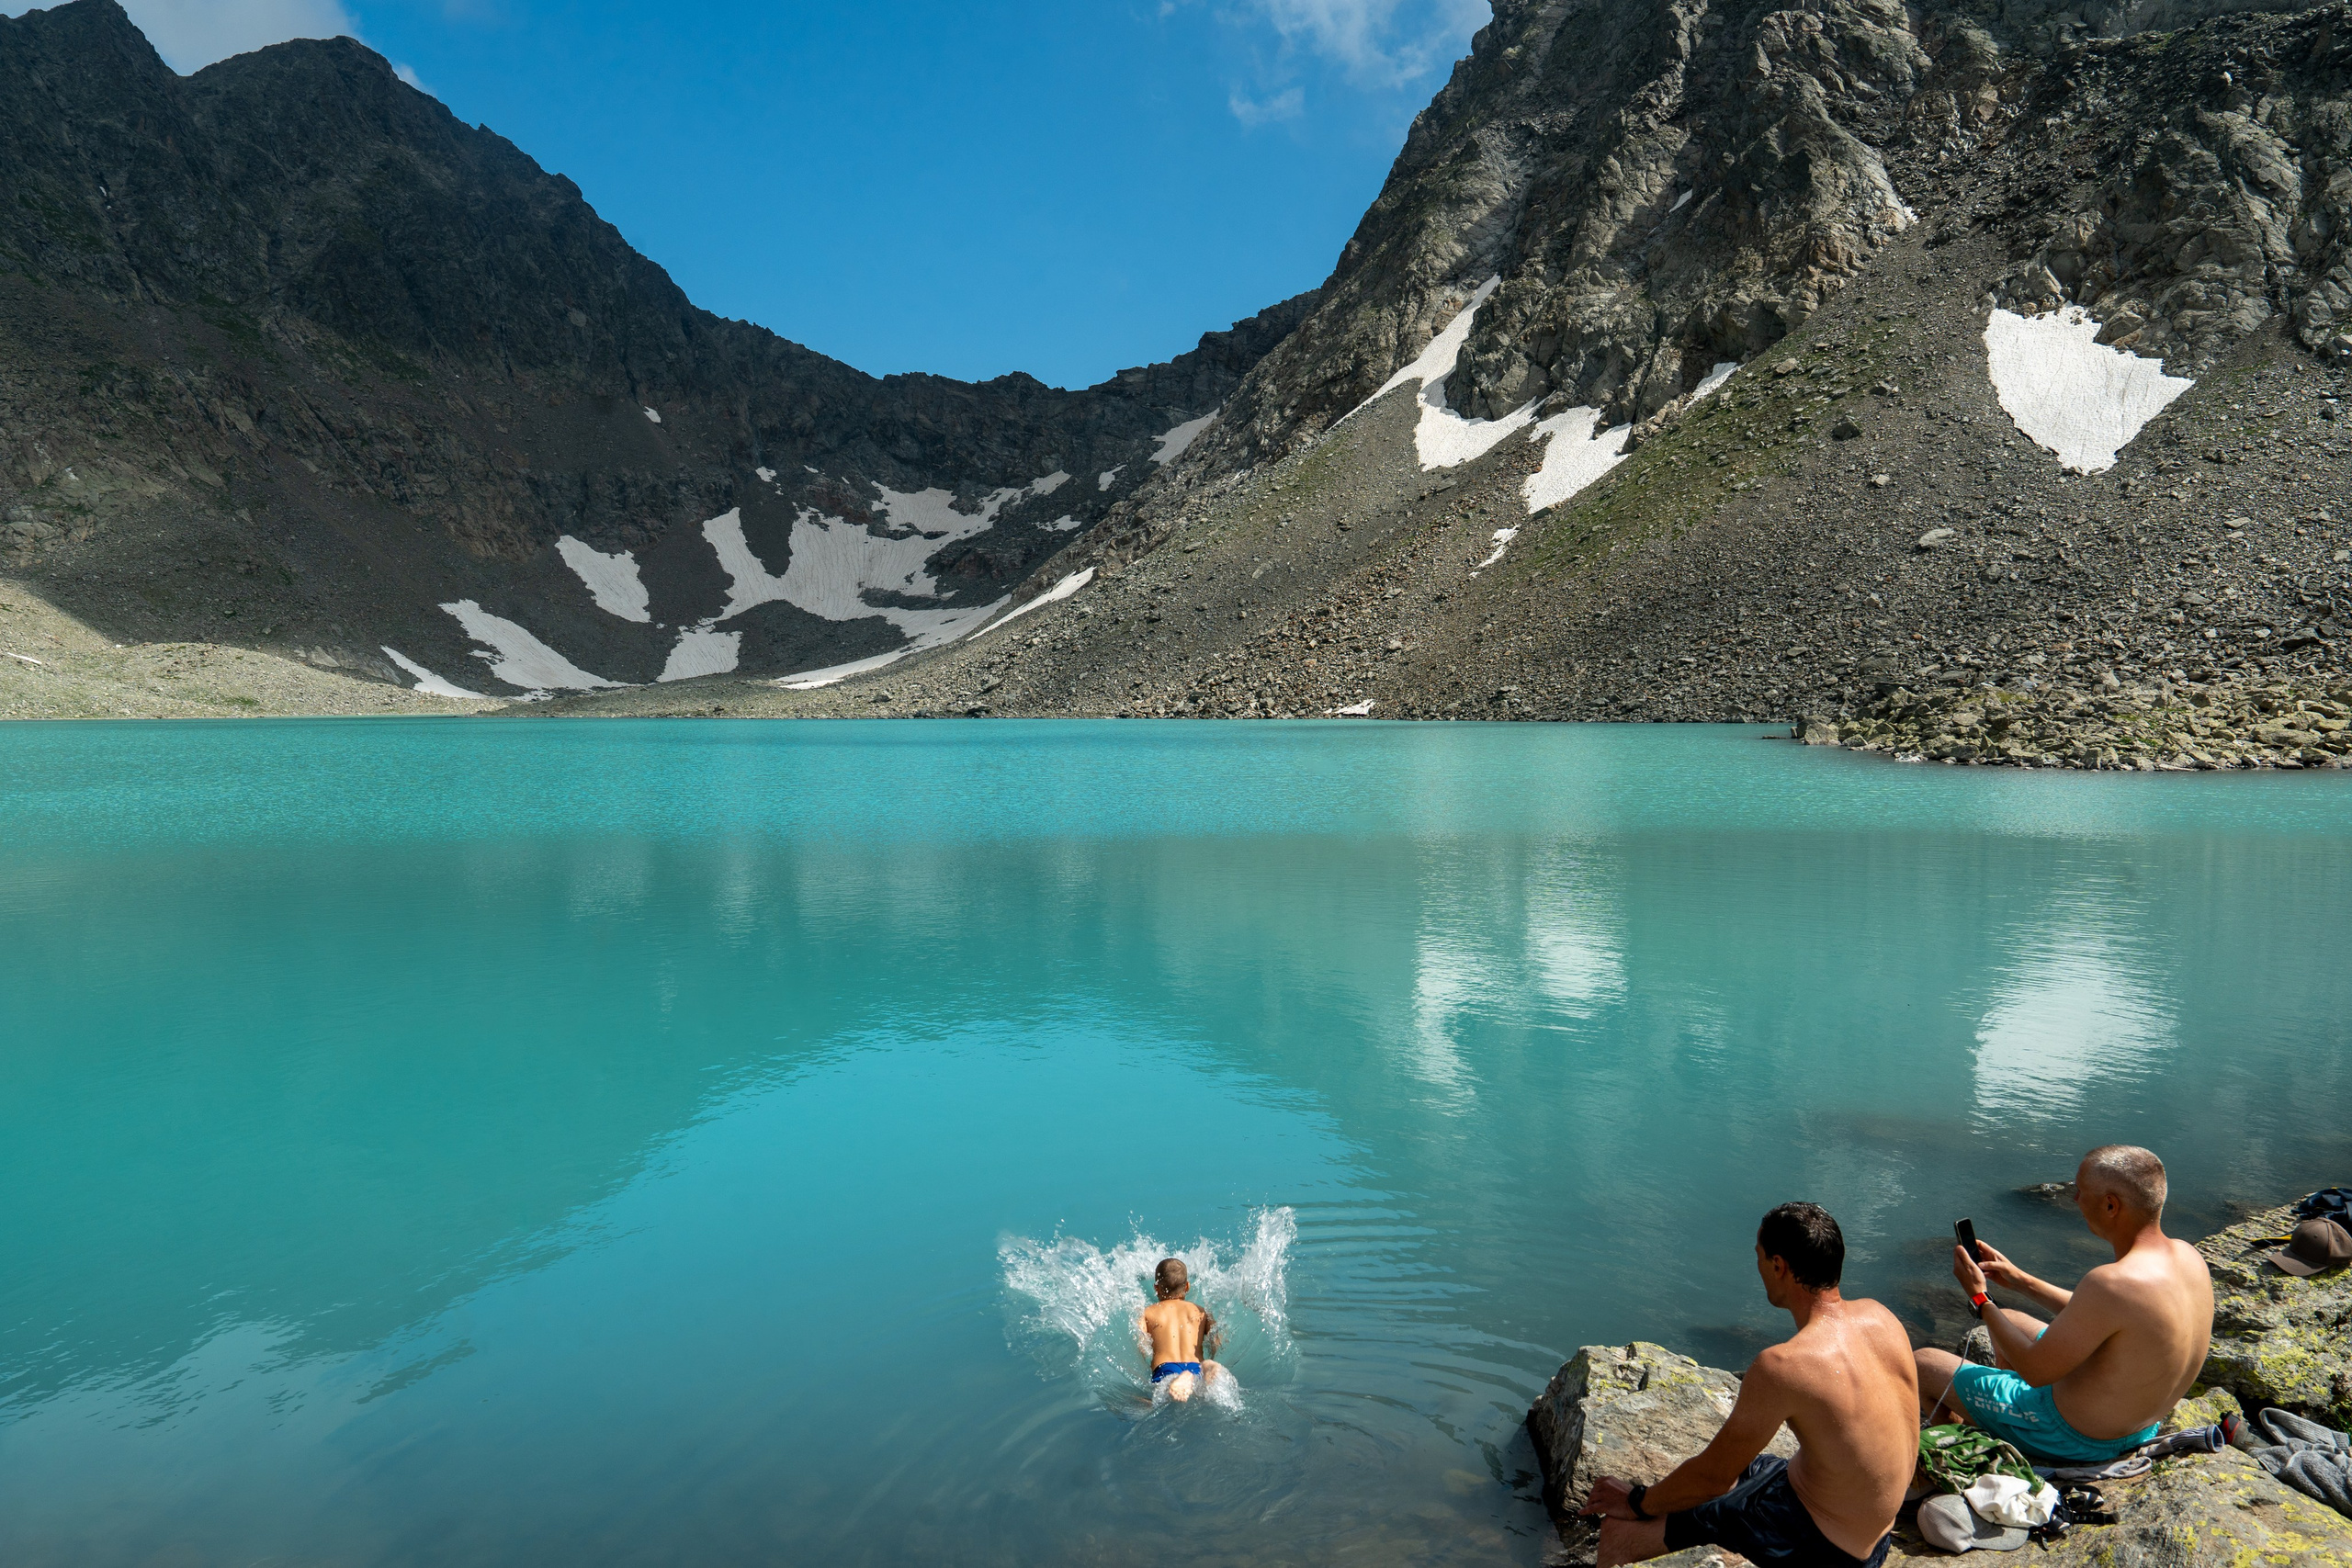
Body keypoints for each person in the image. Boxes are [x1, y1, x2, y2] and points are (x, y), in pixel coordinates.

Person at [1583, 1203, 1919, 1568]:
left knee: (1627, 1529)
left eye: (1758, 1256)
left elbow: (1712, 1479)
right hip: (1876, 1538)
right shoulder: (1881, 1317)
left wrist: (1636, 1502)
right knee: (1743, 1469)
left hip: (1827, 1552)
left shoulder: (1783, 1366)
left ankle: (1621, 1544)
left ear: (1778, 1266)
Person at [1915, 1144, 2214, 1463]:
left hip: (2074, 1437)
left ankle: (1975, 1451)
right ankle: (2005, 1419)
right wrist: (2021, 1280)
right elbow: (2107, 1314)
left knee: (1923, 1363)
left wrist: (1980, 1297)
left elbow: (2035, 1372)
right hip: (2138, 1425)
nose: (2075, 1199)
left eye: (2080, 1191)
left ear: (2111, 1205)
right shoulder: (2188, 1256)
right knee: (2012, 1320)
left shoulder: (2110, 1283)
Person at [1141, 1258, 1224, 1403]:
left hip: (1166, 1368)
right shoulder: (1201, 1311)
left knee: (1152, 1399)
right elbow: (1216, 1341)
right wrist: (1213, 1354)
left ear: (1156, 1288)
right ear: (1187, 1287)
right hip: (1196, 1365)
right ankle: (1208, 1366)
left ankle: (1176, 1380)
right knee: (1199, 1388)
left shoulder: (1148, 1312)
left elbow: (1141, 1344)